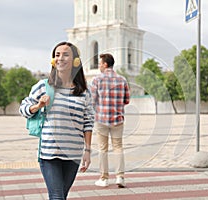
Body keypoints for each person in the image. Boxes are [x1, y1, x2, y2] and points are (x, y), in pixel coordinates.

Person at [19, 41, 94, 199]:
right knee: (57, 196)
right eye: (57, 55)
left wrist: (87, 151)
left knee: (62, 196)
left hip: (73, 153)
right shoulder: (43, 86)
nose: (60, 58)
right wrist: (38, 106)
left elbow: (88, 122)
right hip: (49, 153)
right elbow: (23, 108)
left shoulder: (84, 92)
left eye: (65, 54)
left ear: (75, 61)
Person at [90, 53, 130, 188]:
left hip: (101, 119)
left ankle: (104, 178)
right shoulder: (122, 80)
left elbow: (92, 100)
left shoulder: (97, 80)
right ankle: (120, 177)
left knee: (103, 148)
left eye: (100, 63)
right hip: (118, 119)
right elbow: (127, 100)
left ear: (105, 64)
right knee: (118, 147)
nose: (99, 66)